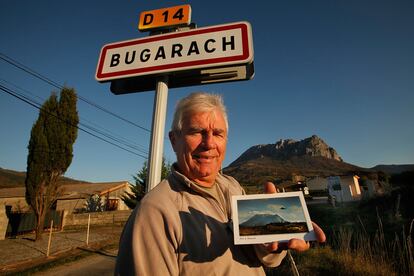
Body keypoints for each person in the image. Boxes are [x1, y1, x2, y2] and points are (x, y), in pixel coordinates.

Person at [115, 92, 326, 275]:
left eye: (217, 133)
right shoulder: (155, 212)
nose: (209, 144)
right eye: (197, 131)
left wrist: (274, 245)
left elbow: (263, 258)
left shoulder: (233, 186)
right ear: (174, 140)